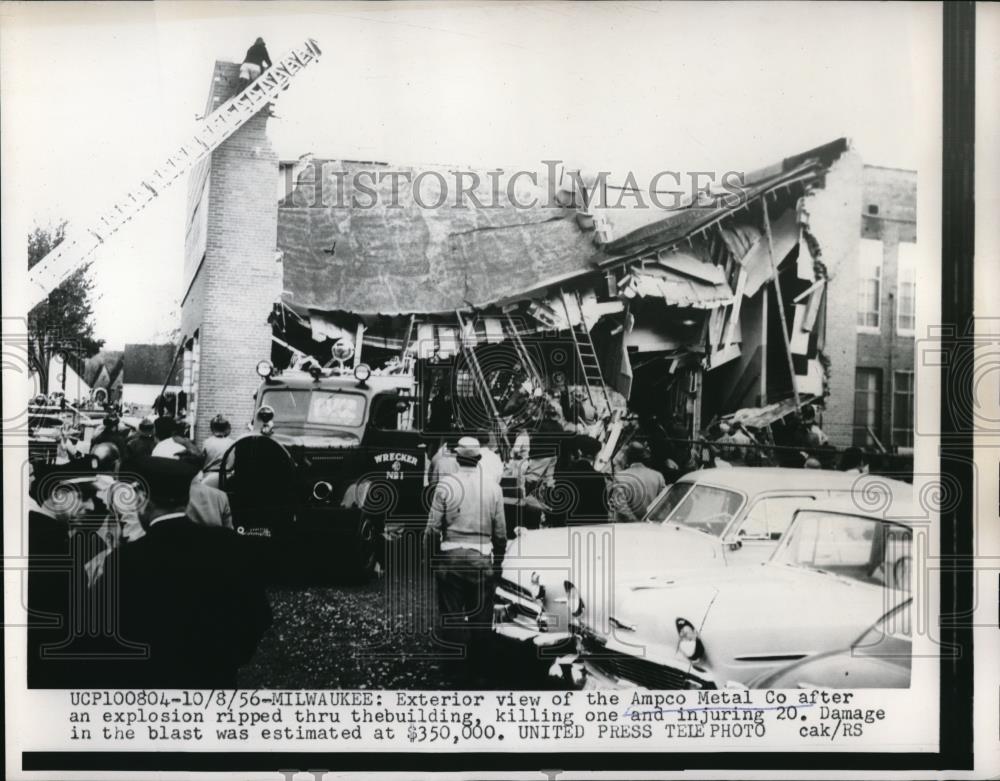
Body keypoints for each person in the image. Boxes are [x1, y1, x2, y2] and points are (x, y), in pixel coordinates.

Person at [95, 457, 271, 688]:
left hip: (147, 686)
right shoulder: (231, 546)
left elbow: (104, 633)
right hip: (214, 680)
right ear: (187, 500)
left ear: (143, 499)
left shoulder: (124, 560)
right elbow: (259, 615)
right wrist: (229, 659)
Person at [425, 438, 506, 683]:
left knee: (451, 616)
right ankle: (480, 671)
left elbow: (431, 529)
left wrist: (432, 559)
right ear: (479, 459)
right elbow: (501, 532)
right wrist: (498, 562)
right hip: (481, 557)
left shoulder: (446, 485)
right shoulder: (493, 488)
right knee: (481, 617)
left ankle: (453, 670)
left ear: (457, 458)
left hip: (451, 556)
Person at [547, 435, 609, 526]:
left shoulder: (564, 476)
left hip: (568, 529)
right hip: (593, 529)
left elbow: (559, 512)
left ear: (579, 452)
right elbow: (602, 511)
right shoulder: (599, 478)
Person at [611, 441, 667, 523]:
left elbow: (622, 508)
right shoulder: (658, 476)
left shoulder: (620, 477)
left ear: (627, 457)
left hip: (628, 529)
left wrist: (637, 523)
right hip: (651, 527)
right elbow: (664, 504)